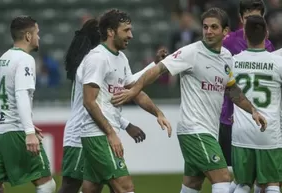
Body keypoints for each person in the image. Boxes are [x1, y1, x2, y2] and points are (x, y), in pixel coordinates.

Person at [111, 8, 267, 193]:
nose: (208, 31)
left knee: (192, 184)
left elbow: (232, 91)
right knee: (222, 177)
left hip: (209, 131)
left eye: (214, 27)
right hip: (194, 130)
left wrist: (253, 111)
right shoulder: (191, 52)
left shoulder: (226, 58)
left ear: (225, 31)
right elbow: (159, 69)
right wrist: (135, 89)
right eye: (205, 27)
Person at [59, 18, 167, 193]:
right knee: (74, 186)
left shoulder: (107, 60)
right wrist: (126, 125)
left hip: (93, 128)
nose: (130, 35)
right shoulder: (94, 62)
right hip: (81, 133)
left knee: (92, 187)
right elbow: (92, 103)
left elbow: (127, 84)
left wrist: (154, 65)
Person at [0, 16, 56, 193]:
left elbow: (5, 100)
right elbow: (21, 94)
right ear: (28, 36)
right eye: (37, 33)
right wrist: (28, 131)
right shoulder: (25, 60)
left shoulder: (3, 59)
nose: (39, 38)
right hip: (15, 131)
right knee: (46, 184)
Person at [231, 15, 282, 193]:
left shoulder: (233, 61)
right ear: (266, 34)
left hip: (241, 132)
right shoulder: (278, 62)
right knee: (272, 184)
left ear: (245, 34)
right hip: (268, 131)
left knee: (242, 184)